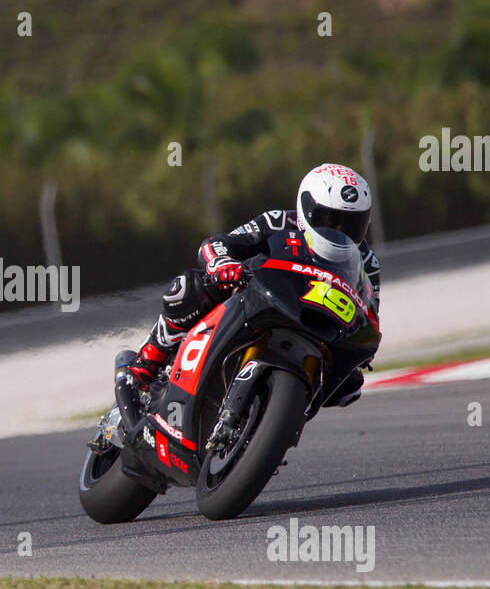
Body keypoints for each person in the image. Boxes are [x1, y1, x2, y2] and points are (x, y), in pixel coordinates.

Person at [122, 163, 380, 407]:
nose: (338, 231)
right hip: (258, 296)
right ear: (307, 209)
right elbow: (218, 244)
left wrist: (363, 345)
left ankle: (272, 427)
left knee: (350, 384)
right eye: (329, 220)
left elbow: (369, 311)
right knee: (189, 287)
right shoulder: (279, 221)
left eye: (350, 224)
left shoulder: (368, 262)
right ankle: (149, 360)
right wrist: (222, 264)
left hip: (316, 322)